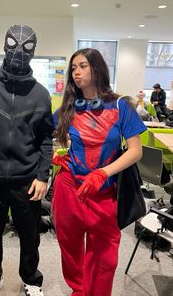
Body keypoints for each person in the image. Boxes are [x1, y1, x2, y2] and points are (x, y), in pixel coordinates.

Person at [0, 24, 54, 296]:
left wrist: (42, 175)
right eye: (13, 44)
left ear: (34, 51)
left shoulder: (41, 94)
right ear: (4, 45)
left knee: (30, 237)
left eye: (27, 47)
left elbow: (46, 139)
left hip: (26, 180)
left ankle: (31, 280)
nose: (19, 52)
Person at [52, 48, 146, 296]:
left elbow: (135, 151)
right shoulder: (69, 108)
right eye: (73, 68)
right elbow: (40, 136)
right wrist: (53, 157)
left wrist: (103, 173)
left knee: (106, 259)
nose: (77, 72)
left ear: (97, 68)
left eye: (83, 66)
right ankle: (79, 290)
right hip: (70, 188)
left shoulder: (120, 105)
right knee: (70, 248)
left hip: (104, 192)